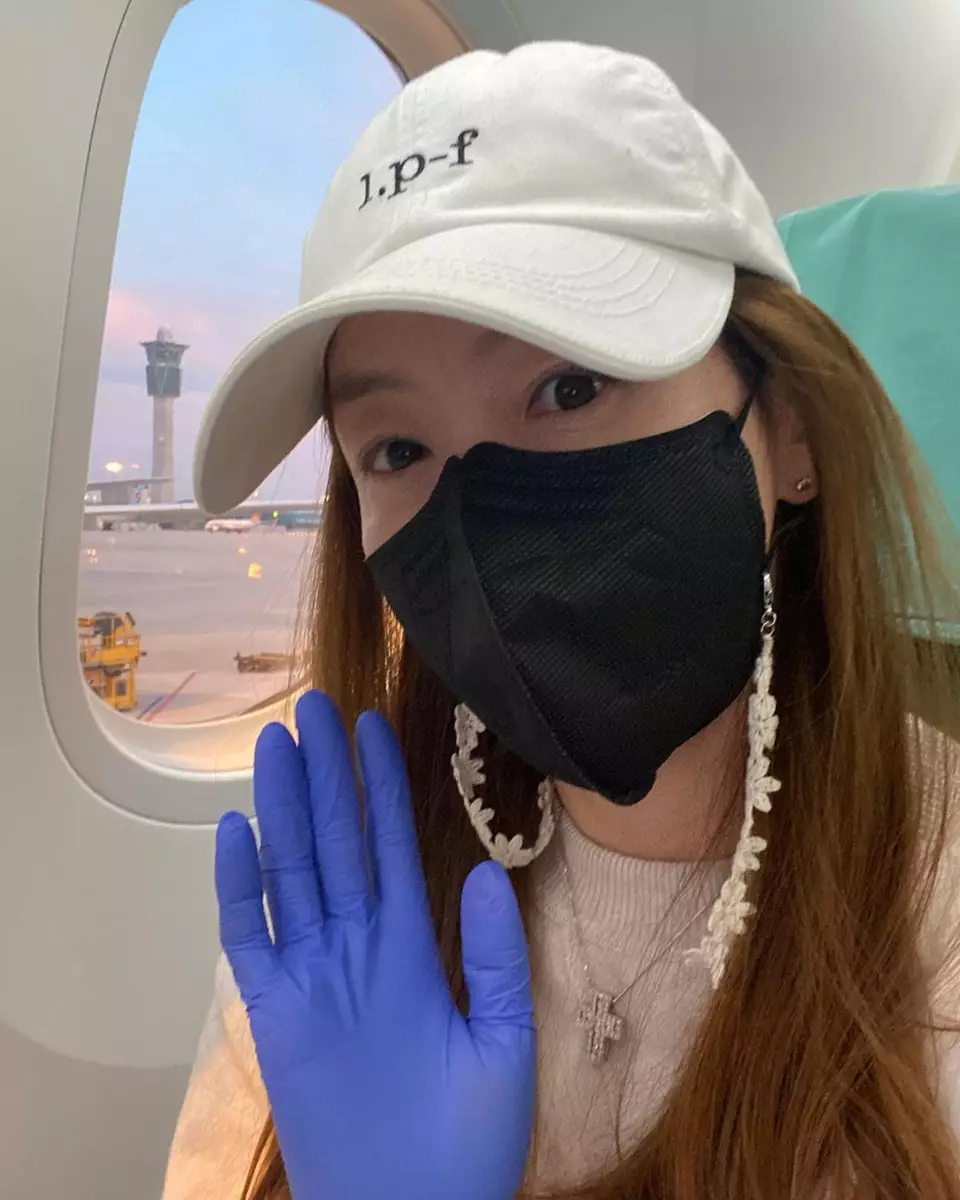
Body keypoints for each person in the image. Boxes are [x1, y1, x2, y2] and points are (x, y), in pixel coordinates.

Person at [163, 41, 960, 1200]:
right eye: (398, 447)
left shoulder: (937, 891)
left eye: (569, 387)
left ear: (787, 426)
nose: (479, 514)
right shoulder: (354, 911)